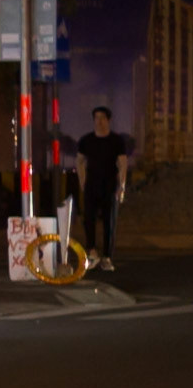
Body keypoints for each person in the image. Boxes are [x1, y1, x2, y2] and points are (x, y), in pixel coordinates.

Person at [77, 105, 131, 271]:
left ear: (108, 120)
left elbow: (123, 164)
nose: (99, 121)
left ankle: (107, 257)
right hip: (92, 184)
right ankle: (92, 252)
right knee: (89, 219)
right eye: (96, 118)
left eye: (102, 118)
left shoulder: (116, 141)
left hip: (110, 185)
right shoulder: (86, 140)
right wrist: (83, 181)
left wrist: (121, 187)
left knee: (110, 222)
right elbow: (79, 161)